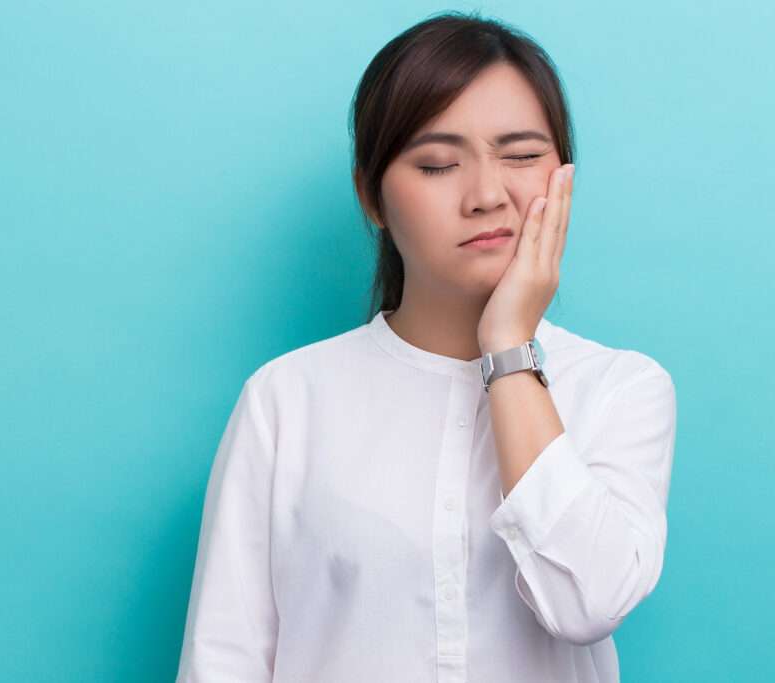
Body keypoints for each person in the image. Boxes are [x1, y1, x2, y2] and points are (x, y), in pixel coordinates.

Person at [175, 10, 677, 683]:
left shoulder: (620, 388)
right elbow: (223, 660)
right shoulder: (286, 399)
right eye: (438, 163)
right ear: (372, 196)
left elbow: (587, 601)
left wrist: (507, 345)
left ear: (563, 176)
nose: (487, 194)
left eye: (523, 156)